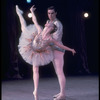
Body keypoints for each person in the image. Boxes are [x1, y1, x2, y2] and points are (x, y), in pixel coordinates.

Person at [16, 5, 76, 100]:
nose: (50, 15)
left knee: (59, 71)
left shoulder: (58, 24)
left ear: (56, 13)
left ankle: (63, 94)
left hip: (57, 50)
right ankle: (61, 92)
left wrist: (42, 45)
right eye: (49, 13)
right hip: (48, 47)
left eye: (52, 13)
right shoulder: (49, 22)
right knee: (57, 71)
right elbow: (35, 22)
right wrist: (32, 12)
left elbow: (56, 42)